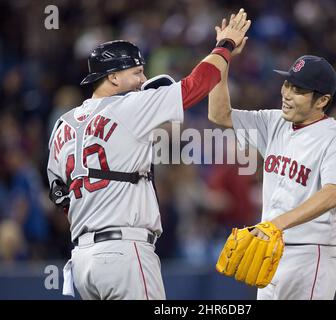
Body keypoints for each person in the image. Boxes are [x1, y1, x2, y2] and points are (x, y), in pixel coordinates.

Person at [46, 9, 251, 300]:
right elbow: (198, 84)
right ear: (113, 77)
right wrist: (225, 45)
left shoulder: (61, 124)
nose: (144, 79)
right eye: (137, 72)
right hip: (125, 252)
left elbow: (59, 195)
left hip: (82, 260)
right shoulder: (129, 106)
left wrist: (95, 209)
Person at [208, 42, 336, 298]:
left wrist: (275, 225)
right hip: (270, 252)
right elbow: (219, 114)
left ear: (322, 100)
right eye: (287, 84)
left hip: (311, 255)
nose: (286, 93)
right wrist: (222, 54)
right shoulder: (273, 121)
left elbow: (333, 193)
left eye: (298, 89)